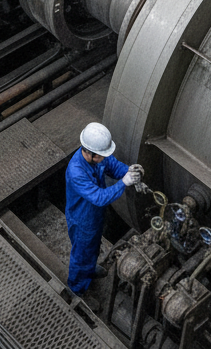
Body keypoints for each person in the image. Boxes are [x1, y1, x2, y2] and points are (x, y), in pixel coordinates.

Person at [65, 122, 143, 296]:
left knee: (93, 247)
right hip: (82, 220)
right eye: (101, 156)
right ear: (88, 152)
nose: (104, 158)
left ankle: (90, 270)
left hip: (95, 216)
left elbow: (113, 166)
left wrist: (128, 172)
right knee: (82, 254)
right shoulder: (76, 171)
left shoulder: (98, 156)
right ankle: (76, 289)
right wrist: (124, 183)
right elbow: (99, 197)